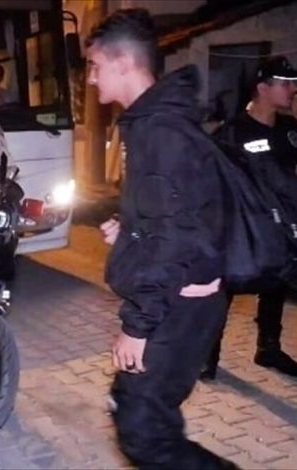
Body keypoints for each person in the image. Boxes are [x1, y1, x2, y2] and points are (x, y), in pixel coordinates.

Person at [88, 9, 237, 468]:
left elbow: (175, 237)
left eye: (95, 66)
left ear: (122, 64)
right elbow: (171, 215)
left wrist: (138, 327)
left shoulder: (161, 132)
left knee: (144, 431)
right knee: (139, 415)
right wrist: (129, 230)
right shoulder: (151, 124)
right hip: (177, 298)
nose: (90, 79)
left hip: (178, 306)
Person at [203, 56, 297, 380]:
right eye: (285, 83)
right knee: (227, 286)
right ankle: (207, 355)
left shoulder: (290, 130)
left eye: (294, 83)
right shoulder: (232, 133)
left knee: (277, 282)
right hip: (242, 229)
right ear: (263, 88)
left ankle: (268, 347)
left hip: (281, 227)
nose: (293, 89)